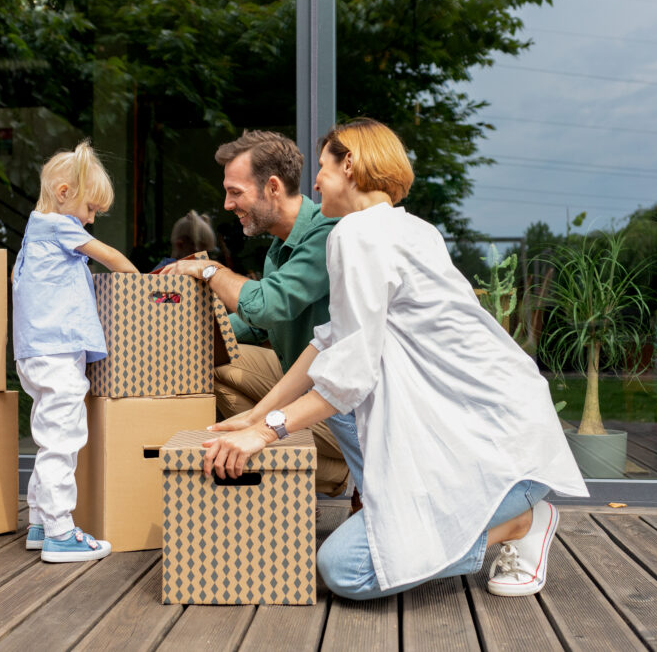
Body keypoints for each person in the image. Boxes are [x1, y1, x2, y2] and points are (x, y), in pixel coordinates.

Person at [200, 119, 588, 600]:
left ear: (351, 163)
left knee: (346, 572)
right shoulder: (408, 228)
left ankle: (519, 523)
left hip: (501, 459)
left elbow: (350, 377)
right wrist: (257, 414)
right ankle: (435, 517)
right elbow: (329, 340)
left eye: (322, 168)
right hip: (503, 440)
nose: (316, 183)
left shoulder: (358, 235)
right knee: (362, 512)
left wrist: (264, 431)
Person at [161, 130, 361, 500]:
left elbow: (267, 304)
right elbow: (256, 324)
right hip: (296, 380)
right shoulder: (277, 247)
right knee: (206, 361)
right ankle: (304, 472)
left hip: (336, 403)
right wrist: (176, 342)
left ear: (272, 187)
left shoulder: (327, 234)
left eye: (235, 192)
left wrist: (210, 272)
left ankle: (333, 472)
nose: (226, 204)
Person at [12, 140, 139, 563]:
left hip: (35, 353)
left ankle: (38, 523)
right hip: (56, 352)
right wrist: (145, 286)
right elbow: (112, 257)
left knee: (47, 434)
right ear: (64, 193)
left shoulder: (35, 232)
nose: (91, 220)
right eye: (90, 209)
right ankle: (61, 532)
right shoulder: (61, 228)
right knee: (62, 441)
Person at [151, 209, 218, 271]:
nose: (204, 259)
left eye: (207, 253)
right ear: (180, 245)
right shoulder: (164, 272)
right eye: (199, 254)